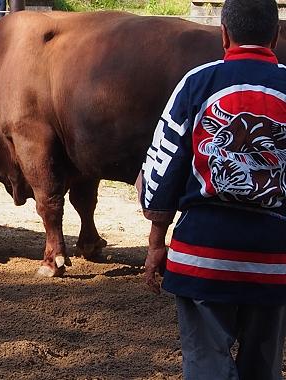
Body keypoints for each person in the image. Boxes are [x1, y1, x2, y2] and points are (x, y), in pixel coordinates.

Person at [138, 0, 286, 378]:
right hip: (275, 262)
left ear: (223, 34)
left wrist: (157, 243)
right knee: (264, 368)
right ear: (276, 35)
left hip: (203, 259)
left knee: (206, 366)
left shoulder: (197, 83)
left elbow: (163, 168)